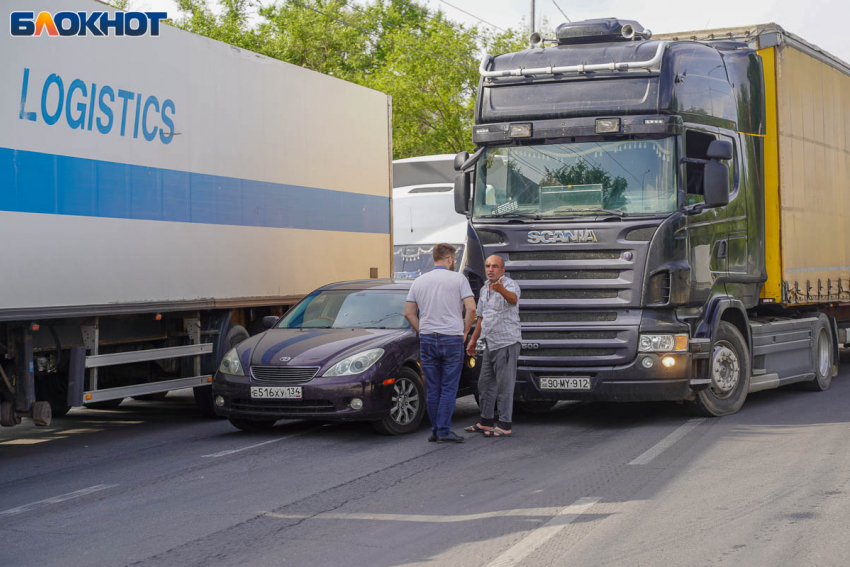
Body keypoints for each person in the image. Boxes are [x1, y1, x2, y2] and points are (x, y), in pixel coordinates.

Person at [404, 243, 476, 443]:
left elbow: (408, 313)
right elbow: (471, 308)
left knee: (433, 387)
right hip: (451, 337)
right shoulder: (458, 279)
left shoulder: (419, 281)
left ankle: (436, 430)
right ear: (450, 259)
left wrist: (423, 330)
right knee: (449, 387)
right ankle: (444, 430)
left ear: (434, 258)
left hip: (428, 338)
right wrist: (464, 331)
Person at [465, 254, 522, 438]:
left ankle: (505, 424)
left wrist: (501, 290)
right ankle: (486, 422)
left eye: (495, 266)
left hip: (506, 342)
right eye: (488, 266)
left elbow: (513, 300)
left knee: (505, 386)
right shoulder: (483, 290)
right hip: (489, 343)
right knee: (485, 384)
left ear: (502, 270)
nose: (490, 269)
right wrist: (473, 340)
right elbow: (481, 317)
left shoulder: (510, 284)